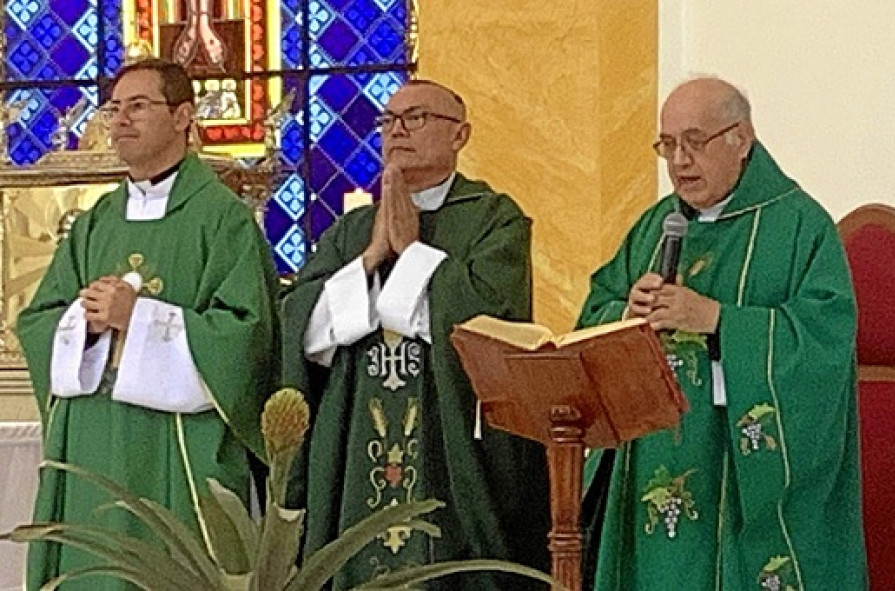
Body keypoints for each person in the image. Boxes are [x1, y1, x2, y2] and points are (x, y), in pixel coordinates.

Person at [579, 77, 866, 590]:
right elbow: (593, 315)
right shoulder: (655, 226)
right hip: (650, 456)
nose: (680, 160)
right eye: (668, 144)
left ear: (742, 139)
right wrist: (625, 312)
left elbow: (824, 341)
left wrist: (718, 320)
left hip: (735, 470)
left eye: (695, 141)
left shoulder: (799, 226)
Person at [17, 58, 279, 590]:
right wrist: (87, 325)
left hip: (177, 443)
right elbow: (40, 320)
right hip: (93, 438)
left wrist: (139, 319)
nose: (120, 121)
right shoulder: (95, 222)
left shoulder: (221, 219)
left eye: (138, 106)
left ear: (183, 116)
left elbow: (246, 336)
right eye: (114, 108)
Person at [280, 79, 550, 590]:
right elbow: (303, 329)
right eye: (388, 120)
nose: (397, 130)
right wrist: (370, 259)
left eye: (416, 117)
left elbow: (492, 325)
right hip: (356, 446)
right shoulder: (353, 231)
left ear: (460, 135)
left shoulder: (494, 220)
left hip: (450, 444)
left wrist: (412, 254)